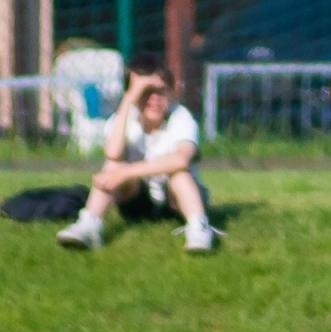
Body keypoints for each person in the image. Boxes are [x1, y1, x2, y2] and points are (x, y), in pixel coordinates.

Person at [55, 55, 220, 253]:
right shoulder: (125, 119)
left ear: (171, 92)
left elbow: (181, 159)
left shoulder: (181, 117)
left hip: (176, 202)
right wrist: (128, 101)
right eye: (145, 92)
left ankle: (198, 228)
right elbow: (113, 154)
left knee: (179, 174)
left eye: (161, 92)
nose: (154, 100)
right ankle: (89, 224)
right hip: (138, 202)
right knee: (113, 167)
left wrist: (125, 173)